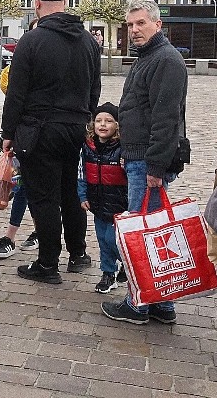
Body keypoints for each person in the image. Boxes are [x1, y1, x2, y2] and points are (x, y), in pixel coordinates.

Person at [2, 0, 101, 283]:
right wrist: (84, 121)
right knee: (71, 192)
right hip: (76, 129)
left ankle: (47, 264)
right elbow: (94, 90)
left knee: (44, 197)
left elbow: (17, 93)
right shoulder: (87, 40)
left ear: (36, 4)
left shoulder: (31, 41)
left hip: (40, 130)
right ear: (64, 3)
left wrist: (8, 132)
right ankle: (78, 254)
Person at [102, 0, 187, 325]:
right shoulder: (149, 58)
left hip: (148, 164)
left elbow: (166, 120)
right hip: (138, 159)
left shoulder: (166, 60)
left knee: (143, 234)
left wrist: (154, 168)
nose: (134, 30)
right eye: (130, 24)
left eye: (141, 23)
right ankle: (162, 304)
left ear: (157, 24)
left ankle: (138, 305)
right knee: (155, 233)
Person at [0, 18, 39, 258]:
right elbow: (10, 94)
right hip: (24, 135)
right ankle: (11, 235)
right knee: (22, 187)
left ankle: (41, 232)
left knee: (43, 190)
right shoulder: (17, 65)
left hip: (49, 135)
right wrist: (9, 133)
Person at [77, 102, 129, 293]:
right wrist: (82, 195)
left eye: (108, 121)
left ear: (117, 125)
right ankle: (108, 273)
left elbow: (130, 177)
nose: (103, 125)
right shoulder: (88, 148)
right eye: (98, 120)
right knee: (102, 240)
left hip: (119, 204)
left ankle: (126, 264)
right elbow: (81, 174)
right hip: (97, 203)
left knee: (113, 239)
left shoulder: (122, 148)